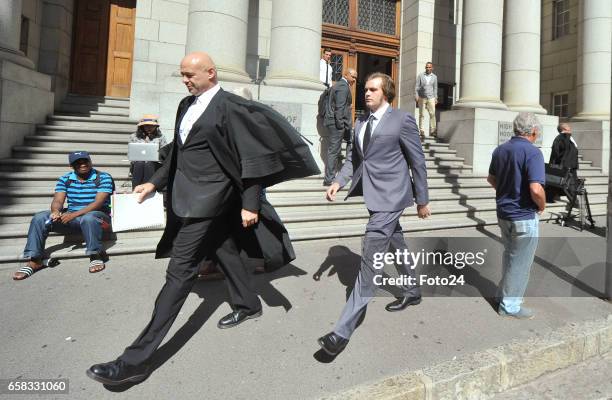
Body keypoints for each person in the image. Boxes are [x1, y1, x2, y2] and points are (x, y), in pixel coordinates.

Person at [86, 51, 319, 386]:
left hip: (211, 200)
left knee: (178, 273)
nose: (185, 80)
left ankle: (134, 361)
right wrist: (153, 183)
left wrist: (251, 203)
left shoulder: (230, 107)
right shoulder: (185, 105)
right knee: (224, 250)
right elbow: (178, 154)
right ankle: (248, 303)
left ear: (210, 73)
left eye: (189, 75)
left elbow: (250, 158)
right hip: (185, 198)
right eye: (181, 75)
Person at [318, 73, 431, 356]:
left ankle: (340, 333)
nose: (366, 93)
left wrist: (422, 200)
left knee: (370, 259)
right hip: (372, 195)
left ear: (386, 93)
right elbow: (355, 160)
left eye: (372, 89)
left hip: (393, 197)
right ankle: (412, 290)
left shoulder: (402, 120)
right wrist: (338, 181)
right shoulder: (360, 122)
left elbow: (417, 160)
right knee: (397, 242)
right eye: (365, 89)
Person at [12, 151, 113, 280]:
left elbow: (98, 203)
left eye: (85, 161)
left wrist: (73, 214)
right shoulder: (65, 179)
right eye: (78, 162)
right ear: (71, 166)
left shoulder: (103, 177)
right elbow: (58, 201)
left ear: (90, 161)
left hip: (98, 218)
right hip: (74, 219)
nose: (83, 164)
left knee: (89, 217)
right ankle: (35, 260)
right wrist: (55, 211)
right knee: (40, 217)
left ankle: (95, 254)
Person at [487, 112, 545, 319]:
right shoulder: (533, 153)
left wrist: (506, 192)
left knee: (510, 255)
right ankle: (510, 305)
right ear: (534, 132)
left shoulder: (500, 150)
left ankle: (501, 295)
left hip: (503, 213)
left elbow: (491, 178)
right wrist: (542, 205)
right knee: (520, 262)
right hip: (523, 215)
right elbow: (536, 189)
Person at [322, 68, 357, 186]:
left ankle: (346, 170)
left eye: (356, 77)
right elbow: (339, 108)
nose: (355, 80)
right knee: (334, 150)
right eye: (353, 77)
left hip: (339, 122)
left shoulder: (340, 85)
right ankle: (329, 179)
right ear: (346, 75)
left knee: (350, 142)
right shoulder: (343, 86)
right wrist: (341, 124)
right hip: (338, 123)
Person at [129, 115, 168, 188]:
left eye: (151, 126)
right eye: (146, 126)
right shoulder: (133, 136)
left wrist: (158, 156)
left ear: (156, 127)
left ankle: (149, 190)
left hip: (154, 164)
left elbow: (165, 152)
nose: (149, 128)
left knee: (149, 164)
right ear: (142, 127)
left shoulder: (161, 137)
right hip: (138, 164)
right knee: (139, 163)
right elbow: (131, 152)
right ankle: (136, 190)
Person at [547, 123, 579, 202]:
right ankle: (574, 201)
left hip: (571, 165)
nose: (570, 127)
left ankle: (550, 197)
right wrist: (557, 165)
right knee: (570, 184)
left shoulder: (569, 138)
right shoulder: (560, 138)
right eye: (568, 126)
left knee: (563, 183)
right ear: (564, 129)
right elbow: (556, 153)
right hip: (566, 166)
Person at [414, 62, 438, 139]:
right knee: (422, 114)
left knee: (432, 114)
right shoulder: (420, 76)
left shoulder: (434, 77)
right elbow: (417, 86)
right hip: (422, 97)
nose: (428, 68)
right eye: (427, 67)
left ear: (432, 68)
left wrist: (436, 97)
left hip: (431, 98)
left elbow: (435, 88)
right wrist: (416, 95)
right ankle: (421, 130)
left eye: (429, 67)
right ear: (425, 68)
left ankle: (433, 130)